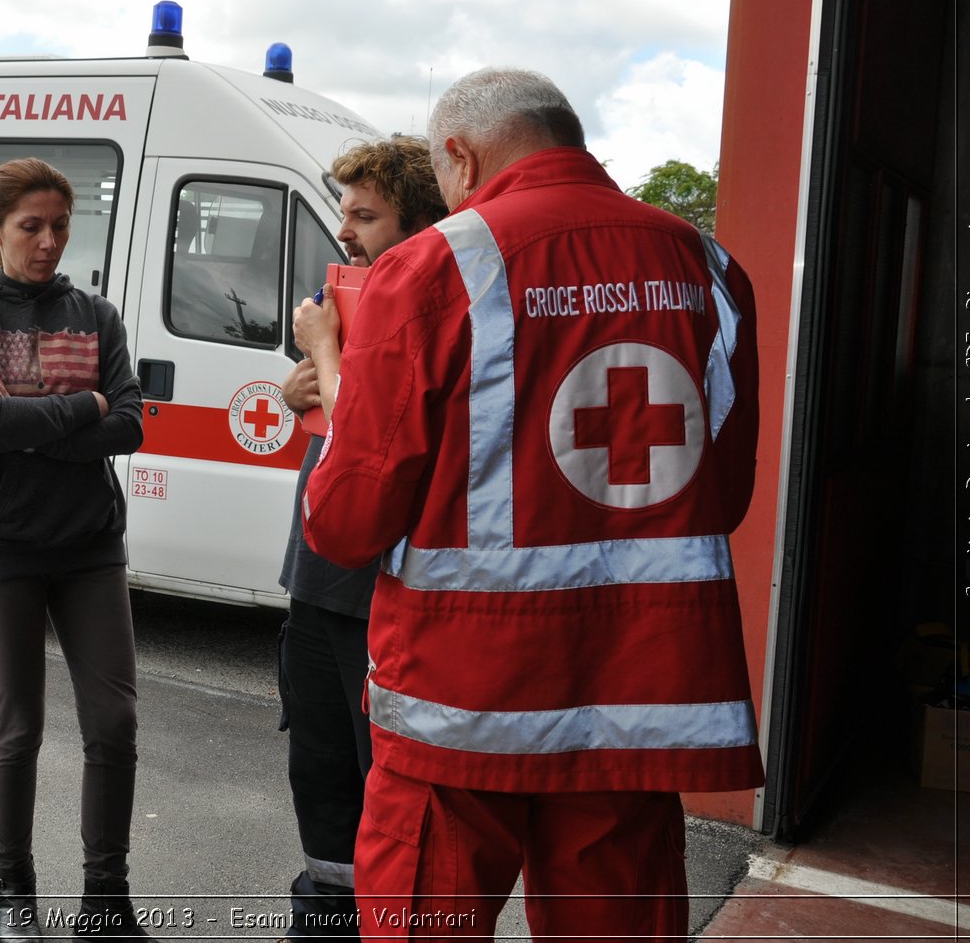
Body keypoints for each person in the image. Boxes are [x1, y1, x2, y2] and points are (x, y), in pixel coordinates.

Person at [302, 68, 762, 941]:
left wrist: (334, 374)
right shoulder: (705, 264)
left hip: (461, 706)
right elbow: (723, 493)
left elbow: (347, 523)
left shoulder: (435, 266)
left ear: (462, 157)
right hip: (635, 702)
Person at [0, 158, 149, 941]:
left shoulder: (95, 313)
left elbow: (129, 423)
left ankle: (105, 899)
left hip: (92, 542)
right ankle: (13, 892)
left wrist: (28, 409)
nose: (50, 240)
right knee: (18, 726)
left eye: (60, 224)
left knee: (115, 723)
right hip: (6, 546)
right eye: (31, 226)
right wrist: (75, 405)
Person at [275, 136, 447, 940]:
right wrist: (297, 381)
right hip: (313, 579)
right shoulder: (342, 290)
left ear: (418, 224)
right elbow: (318, 410)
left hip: (382, 587)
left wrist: (323, 350)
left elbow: (375, 442)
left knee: (385, 786)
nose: (345, 231)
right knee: (317, 769)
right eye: (345, 211)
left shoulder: (434, 303)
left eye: (365, 216)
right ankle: (324, 913)